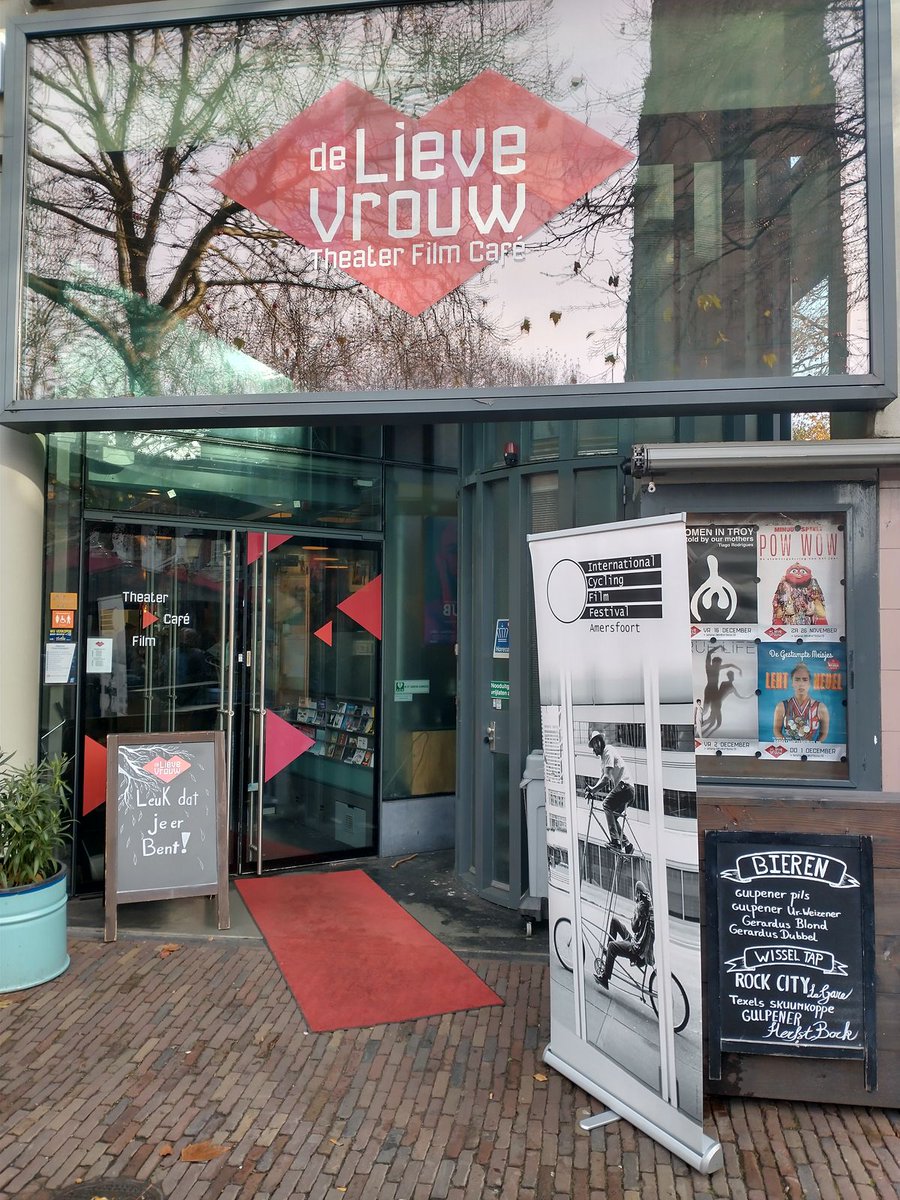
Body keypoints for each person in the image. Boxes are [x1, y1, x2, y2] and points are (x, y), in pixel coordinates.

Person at [596, 880, 655, 989]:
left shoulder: (642, 907)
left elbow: (634, 928)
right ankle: (609, 954)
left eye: (636, 893)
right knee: (614, 921)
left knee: (612, 946)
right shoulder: (648, 904)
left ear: (638, 893)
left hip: (637, 951)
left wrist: (636, 915)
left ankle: (605, 978)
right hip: (636, 942)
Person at [585, 729, 635, 853]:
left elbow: (606, 778)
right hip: (625, 790)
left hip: (625, 786)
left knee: (606, 805)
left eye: (595, 745)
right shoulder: (603, 759)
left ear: (599, 742)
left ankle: (616, 842)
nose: (595, 749)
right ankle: (627, 844)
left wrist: (593, 790)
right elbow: (602, 779)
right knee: (613, 815)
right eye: (593, 746)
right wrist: (592, 791)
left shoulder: (608, 751)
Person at [773, 661, 830, 742]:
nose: (801, 683)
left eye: (805, 679)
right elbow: (777, 730)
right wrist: (786, 745)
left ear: (809, 683)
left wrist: (814, 746)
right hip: (789, 748)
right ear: (792, 683)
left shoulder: (821, 708)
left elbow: (824, 734)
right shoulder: (781, 706)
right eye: (797, 679)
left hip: (812, 749)